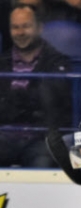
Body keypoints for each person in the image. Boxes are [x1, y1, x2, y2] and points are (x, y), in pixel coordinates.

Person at [0, 3, 71, 168]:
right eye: (15, 27)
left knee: (44, 163)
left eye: (26, 26)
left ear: (39, 28)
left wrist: (14, 100)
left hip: (41, 137)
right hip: (4, 135)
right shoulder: (1, 63)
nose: (20, 33)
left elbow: (52, 105)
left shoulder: (58, 63)